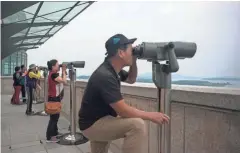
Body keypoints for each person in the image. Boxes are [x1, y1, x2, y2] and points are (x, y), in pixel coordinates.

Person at [78, 34, 170, 153]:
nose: (133, 52)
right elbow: (123, 111)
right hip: (93, 124)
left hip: (98, 119)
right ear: (121, 53)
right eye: (130, 50)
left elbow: (131, 79)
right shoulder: (105, 75)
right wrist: (151, 115)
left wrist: (134, 60)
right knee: (137, 125)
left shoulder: (113, 70)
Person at [46, 59, 67, 143]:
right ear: (53, 66)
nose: (59, 66)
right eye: (58, 65)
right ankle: (50, 137)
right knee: (53, 119)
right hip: (53, 99)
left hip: (54, 98)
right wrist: (64, 71)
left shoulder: (52, 74)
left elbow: (61, 80)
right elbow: (64, 81)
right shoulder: (53, 75)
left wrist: (62, 71)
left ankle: (55, 133)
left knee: (55, 118)